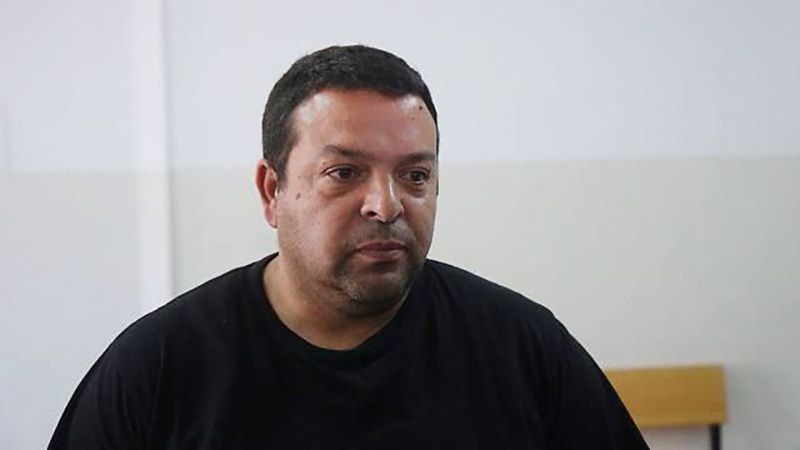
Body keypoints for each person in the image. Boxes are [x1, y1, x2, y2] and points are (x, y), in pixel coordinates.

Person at [50, 45, 648, 449]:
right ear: (272, 190)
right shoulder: (158, 369)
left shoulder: (523, 350)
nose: (386, 205)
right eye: (344, 173)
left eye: (415, 175)